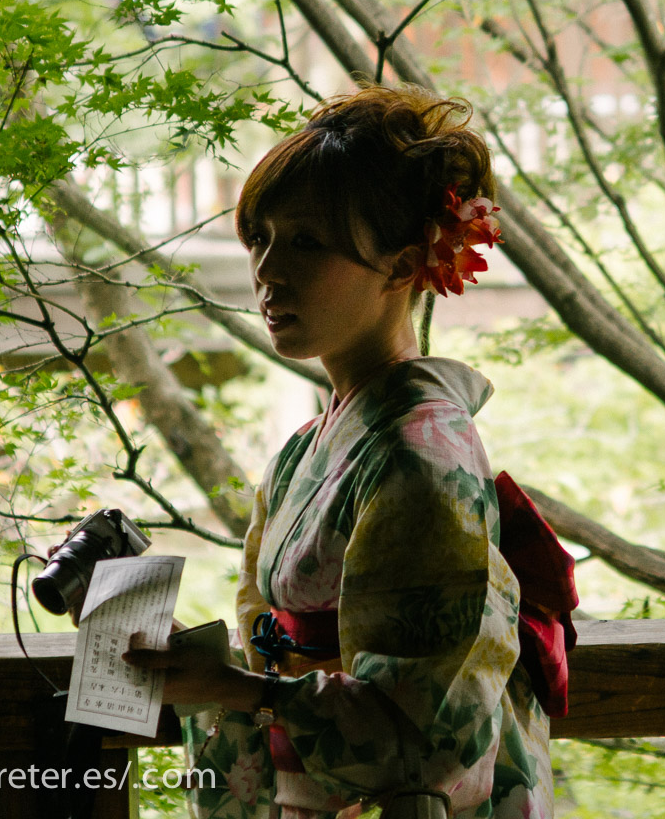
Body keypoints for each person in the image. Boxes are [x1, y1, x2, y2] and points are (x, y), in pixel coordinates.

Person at [125, 85, 567, 819]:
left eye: (306, 242)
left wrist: (237, 691)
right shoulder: (310, 445)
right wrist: (202, 667)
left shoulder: (420, 457)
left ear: (400, 268)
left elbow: (430, 736)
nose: (268, 271)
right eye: (259, 237)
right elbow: (275, 648)